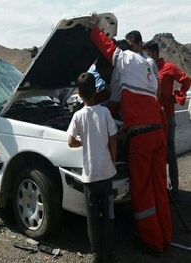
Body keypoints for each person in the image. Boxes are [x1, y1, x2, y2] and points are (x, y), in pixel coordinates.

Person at [89, 14, 172, 254]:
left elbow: (108, 49)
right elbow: (143, 99)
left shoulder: (124, 60)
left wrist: (94, 29)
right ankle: (165, 236)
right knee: (159, 188)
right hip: (158, 132)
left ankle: (153, 242)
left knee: (143, 191)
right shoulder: (150, 66)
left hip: (141, 137)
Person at [68, 72, 117, 263]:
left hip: (89, 176)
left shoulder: (78, 116)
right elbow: (113, 137)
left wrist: (84, 142)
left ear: (79, 94)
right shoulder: (105, 113)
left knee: (93, 218)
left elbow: (71, 141)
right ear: (96, 91)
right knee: (109, 214)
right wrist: (113, 160)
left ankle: (96, 253)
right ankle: (109, 252)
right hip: (106, 173)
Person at [143, 40, 191, 197]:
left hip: (168, 116)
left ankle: (175, 190)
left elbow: (186, 80)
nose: (145, 56)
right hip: (153, 118)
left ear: (155, 53)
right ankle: (161, 188)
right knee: (157, 154)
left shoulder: (168, 67)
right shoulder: (147, 69)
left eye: (147, 53)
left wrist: (177, 96)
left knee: (170, 153)